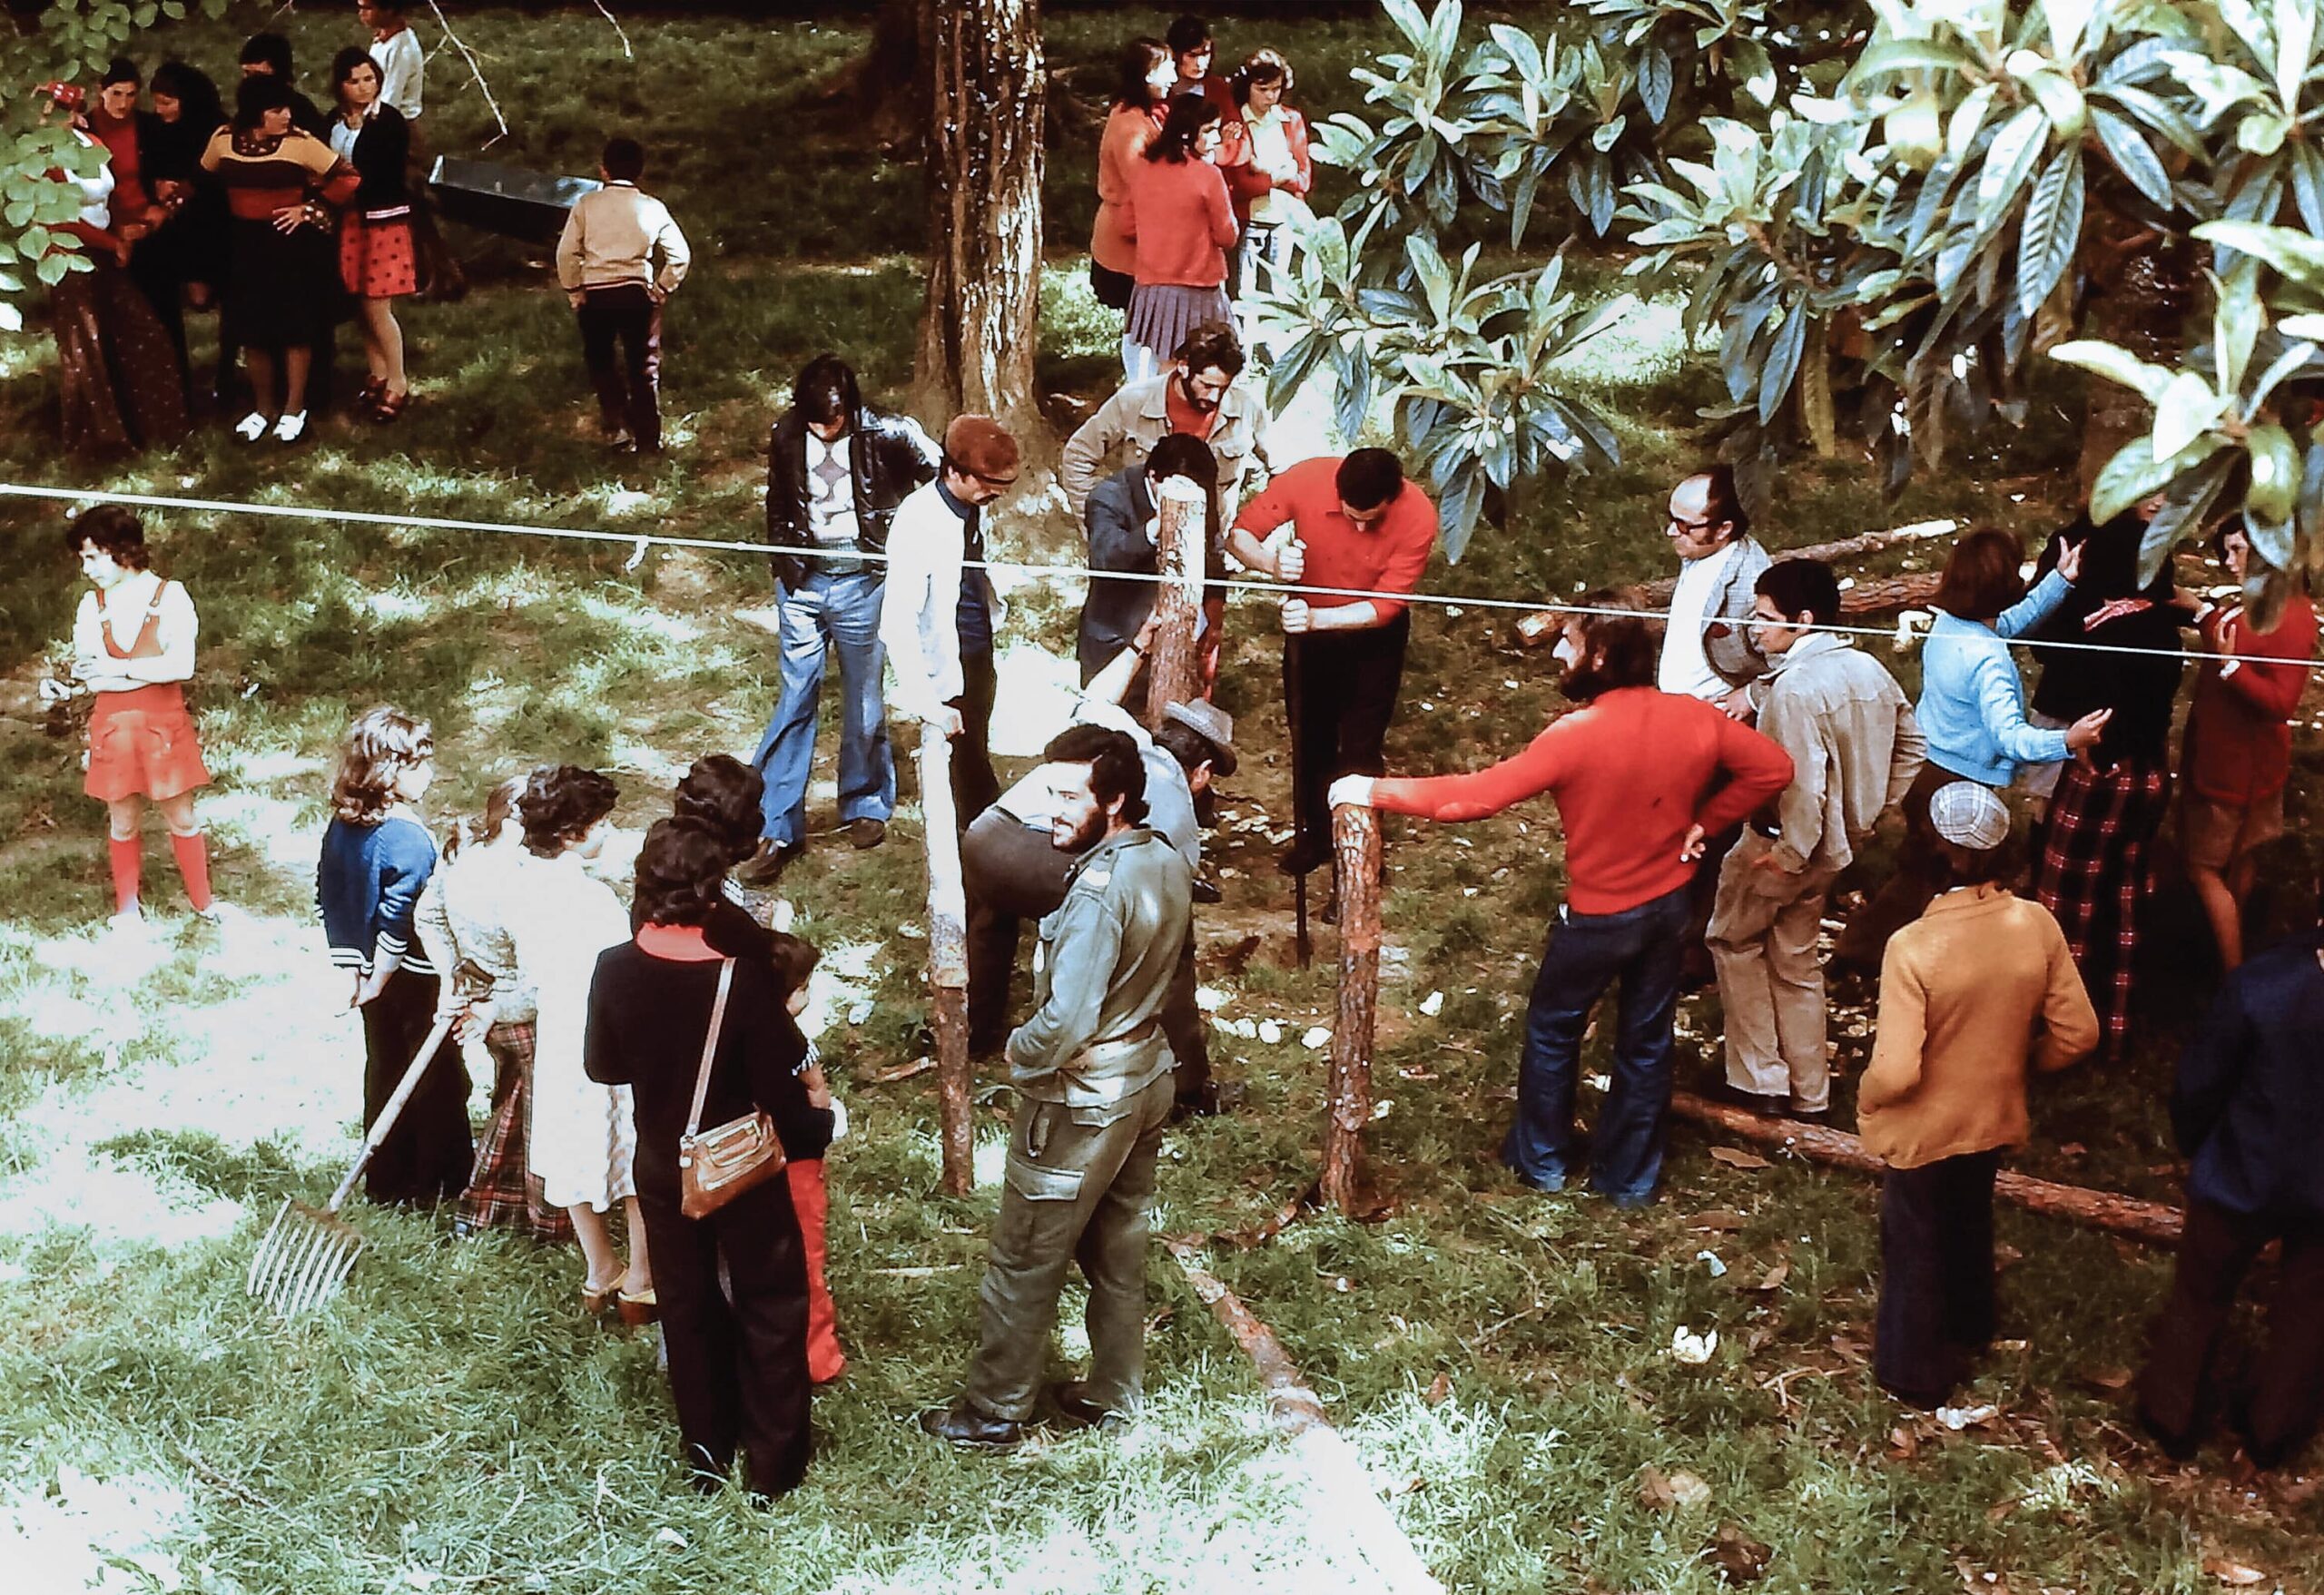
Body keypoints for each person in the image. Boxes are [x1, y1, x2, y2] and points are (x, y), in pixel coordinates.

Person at [1330, 600, 1793, 1206]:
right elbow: (1773, 767)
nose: (1555, 653)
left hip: (1599, 917)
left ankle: (1541, 1162)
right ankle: (1630, 1179)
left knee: (1554, 1030)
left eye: (1567, 642)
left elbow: (1474, 798)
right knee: (1647, 1038)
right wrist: (1707, 821)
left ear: (1600, 656)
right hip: (1669, 906)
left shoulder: (1574, 736)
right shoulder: (1694, 717)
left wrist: (1371, 787)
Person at [923, 726, 1194, 1448]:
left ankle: (994, 1409)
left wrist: (1019, 1050)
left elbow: (1067, 1016)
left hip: (1086, 1100)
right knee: (1118, 1245)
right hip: (1145, 1077)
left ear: (1116, 797)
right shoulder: (1162, 856)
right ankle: (1114, 1390)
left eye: (1070, 797)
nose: (1051, 812)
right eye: (1049, 792)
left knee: (1024, 1257)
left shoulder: (1100, 891)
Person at [586, 820, 836, 1499]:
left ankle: (705, 1454)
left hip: (663, 1164)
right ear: (708, 893)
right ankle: (774, 1467)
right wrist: (819, 1127)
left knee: (689, 1306)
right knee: (771, 1302)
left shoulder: (613, 966)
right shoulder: (741, 978)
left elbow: (601, 1065)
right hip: (742, 1168)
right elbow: (779, 1085)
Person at [1856, 781, 2098, 1409]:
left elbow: (1898, 1069)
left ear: (1932, 852)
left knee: (1914, 1238)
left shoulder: (1913, 946)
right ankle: (1972, 1323)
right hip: (1992, 1111)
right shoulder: (2036, 923)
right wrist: (2024, 1062)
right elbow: (2079, 1031)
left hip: (1924, 1124)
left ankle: (1915, 1370)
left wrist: (1868, 1097)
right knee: (1969, 1215)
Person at [964, 627, 1236, 1117]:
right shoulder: (1175, 796)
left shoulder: (1121, 736)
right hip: (1037, 852)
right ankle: (1189, 1088)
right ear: (1203, 774)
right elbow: (1170, 893)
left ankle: (972, 1030)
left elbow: (1092, 695)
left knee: (994, 915)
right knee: (1170, 946)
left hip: (986, 834)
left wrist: (1139, 645)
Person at [1709, 560, 1923, 1119]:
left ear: (1802, 621)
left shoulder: (1793, 692)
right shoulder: (1869, 669)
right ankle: (1811, 1090)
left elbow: (1798, 784)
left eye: (1763, 618)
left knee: (1734, 942)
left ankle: (1761, 1080)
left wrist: (1787, 855)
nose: (1754, 629)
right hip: (1838, 849)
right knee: (1796, 961)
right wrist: (1868, 814)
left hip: (1783, 847)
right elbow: (1913, 745)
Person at [659, 756, 850, 1383]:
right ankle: (765, 1357)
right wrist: (814, 1122)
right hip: (730, 1098)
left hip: (672, 1091)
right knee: (738, 1230)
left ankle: (695, 1350)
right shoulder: (723, 918)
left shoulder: (665, 874)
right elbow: (762, 1027)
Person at [1836, 527, 2107, 967]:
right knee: (1936, 878)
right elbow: (2010, 737)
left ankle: (1882, 952)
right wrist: (2067, 740)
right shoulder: (1988, 659)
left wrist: (2060, 579)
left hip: (1927, 766)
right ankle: (1865, 954)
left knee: (1923, 869)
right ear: (2003, 589)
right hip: (1960, 780)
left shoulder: (1953, 626)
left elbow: (2008, 624)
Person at [2138, 881, 2324, 1470]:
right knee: (2308, 1308)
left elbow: (2200, 1081)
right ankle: (2275, 1428)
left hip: (2242, 1171)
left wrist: (2197, 1143)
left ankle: (2171, 1415)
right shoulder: (2265, 983)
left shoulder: (2264, 985)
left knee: (2200, 1292)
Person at [743, 353, 940, 883]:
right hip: (803, 584)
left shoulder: (890, 432)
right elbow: (777, 500)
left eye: (832, 423)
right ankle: (775, 824)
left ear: (851, 408)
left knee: (864, 699)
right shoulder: (785, 434)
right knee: (795, 697)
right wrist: (784, 564)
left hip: (864, 584)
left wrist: (908, 539)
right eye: (814, 423)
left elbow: (940, 478)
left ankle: (866, 803)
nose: (824, 433)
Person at [2024, 507, 2195, 1058]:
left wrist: (2094, 759)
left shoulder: (2104, 628)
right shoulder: (2162, 629)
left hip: (2102, 771)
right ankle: (2118, 1024)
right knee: (2125, 895)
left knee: (2064, 901)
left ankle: (2060, 1028)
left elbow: (2097, 703)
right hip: (2149, 772)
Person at [1226, 449, 1438, 878]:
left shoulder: (1419, 515)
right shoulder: (1305, 477)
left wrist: (1316, 619)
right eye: (1350, 516)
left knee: (1360, 747)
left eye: (1370, 520)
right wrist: (1271, 563)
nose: (1360, 527)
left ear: (1392, 500)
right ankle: (1315, 836)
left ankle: (1360, 853)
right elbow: (1240, 533)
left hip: (1373, 639)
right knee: (1309, 738)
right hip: (1310, 638)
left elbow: (1386, 606)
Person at [504, 764, 653, 1321]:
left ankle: (599, 1268)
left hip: (562, 1035)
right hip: (609, 1033)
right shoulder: (592, 903)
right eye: (602, 824)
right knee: (636, 1148)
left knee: (570, 1148)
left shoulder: (518, 887)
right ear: (572, 832)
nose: (609, 834)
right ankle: (641, 1275)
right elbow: (622, 975)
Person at [316, 708, 474, 1206]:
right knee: (438, 1076)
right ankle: (437, 1184)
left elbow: (331, 894)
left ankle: (385, 1179)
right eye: (419, 764)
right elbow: (398, 916)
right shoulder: (407, 837)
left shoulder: (343, 826)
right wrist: (379, 975)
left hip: (370, 973)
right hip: (415, 974)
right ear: (390, 769)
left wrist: (352, 968)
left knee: (384, 1067)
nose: (429, 774)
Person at [413, 772, 576, 1245]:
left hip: (484, 1003)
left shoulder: (463, 857)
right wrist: (487, 996)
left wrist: (453, 973)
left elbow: (429, 915)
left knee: (515, 1098)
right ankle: (542, 1217)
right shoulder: (520, 881)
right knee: (538, 1113)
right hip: (519, 1011)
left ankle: (497, 1205)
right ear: (517, 822)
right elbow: (540, 975)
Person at [66, 506, 214, 927]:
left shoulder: (170, 596)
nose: (86, 568)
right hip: (113, 728)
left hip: (163, 727)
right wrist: (141, 672)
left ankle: (204, 904)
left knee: (181, 817)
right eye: (82, 559)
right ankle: (127, 910)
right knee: (123, 819)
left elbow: (181, 667)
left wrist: (119, 669)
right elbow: (95, 679)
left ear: (123, 551)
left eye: (93, 556)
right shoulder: (90, 606)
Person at [2179, 525, 2319, 970]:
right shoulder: (2265, 603)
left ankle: (2231, 976)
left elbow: (2281, 703)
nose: (2229, 561)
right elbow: (2232, 634)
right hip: (2251, 766)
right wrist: (2201, 611)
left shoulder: (2290, 618)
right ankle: (2230, 932)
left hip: (2232, 768)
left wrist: (2231, 669)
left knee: (2202, 867)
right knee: (2243, 855)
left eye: (2239, 550)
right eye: (2227, 551)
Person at [880, 414, 1021, 827]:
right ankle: (973, 843)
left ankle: (984, 827)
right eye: (984, 483)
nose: (992, 493)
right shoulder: (918, 519)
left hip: (978, 651)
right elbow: (898, 622)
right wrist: (927, 703)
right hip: (945, 664)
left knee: (976, 743)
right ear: (952, 470)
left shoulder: (975, 505)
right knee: (962, 765)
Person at [201, 73, 357, 443]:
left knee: (294, 329)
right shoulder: (223, 140)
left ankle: (294, 408)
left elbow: (348, 178)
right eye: (277, 109)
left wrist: (309, 209)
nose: (287, 115)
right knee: (252, 331)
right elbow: (201, 177)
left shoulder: (301, 143)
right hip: (244, 246)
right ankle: (263, 407)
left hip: (289, 247)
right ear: (257, 114)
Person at [38, 82, 190, 456]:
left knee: (144, 334)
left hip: (105, 250)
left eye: (64, 108)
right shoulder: (42, 156)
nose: (58, 116)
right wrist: (112, 242)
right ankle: (101, 442)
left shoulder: (92, 144)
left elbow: (111, 194)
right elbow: (61, 219)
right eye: (50, 110)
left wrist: (123, 230)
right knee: (87, 347)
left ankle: (156, 428)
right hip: (68, 257)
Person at [1060, 320, 1273, 526]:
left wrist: (1250, 534)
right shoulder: (1132, 401)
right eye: (1206, 386)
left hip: (1211, 547)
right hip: (1138, 546)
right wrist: (1100, 525)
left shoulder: (1247, 407)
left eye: (1223, 388)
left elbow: (1285, 469)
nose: (1214, 397)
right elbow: (1078, 455)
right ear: (1184, 367)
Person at [555, 136, 690, 453]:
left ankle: (617, 428)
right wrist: (662, 288)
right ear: (641, 173)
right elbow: (680, 255)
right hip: (636, 294)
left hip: (596, 295)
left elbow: (566, 254)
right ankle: (649, 439)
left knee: (600, 360)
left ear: (603, 171)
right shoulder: (652, 207)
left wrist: (574, 290)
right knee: (643, 367)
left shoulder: (585, 205)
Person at [1077, 432, 1224, 694]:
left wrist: (1213, 617)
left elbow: (1213, 551)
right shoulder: (1108, 497)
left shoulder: (1200, 490)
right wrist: (1155, 527)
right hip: (1118, 639)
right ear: (1153, 476)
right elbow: (1105, 558)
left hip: (1178, 642)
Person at [1118, 94, 1237, 383]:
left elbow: (1125, 225)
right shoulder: (1208, 175)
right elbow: (1228, 235)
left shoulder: (1143, 168)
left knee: (1165, 365)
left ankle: (1160, 422)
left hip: (1152, 286)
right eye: (1209, 131)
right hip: (1198, 287)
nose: (1215, 140)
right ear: (1187, 133)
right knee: (1201, 365)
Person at [327, 48, 417, 422]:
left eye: (369, 79)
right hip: (347, 221)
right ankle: (376, 371)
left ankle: (398, 381)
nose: (364, 88)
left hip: (382, 222)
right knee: (360, 304)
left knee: (379, 307)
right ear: (340, 85)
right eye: (354, 81)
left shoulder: (389, 122)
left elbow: (378, 174)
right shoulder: (333, 120)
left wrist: (340, 189)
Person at [139, 61, 231, 387]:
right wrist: (156, 186)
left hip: (210, 222)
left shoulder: (215, 127)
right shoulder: (154, 129)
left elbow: (216, 178)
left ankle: (227, 372)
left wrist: (179, 193)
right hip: (169, 224)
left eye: (167, 102)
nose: (159, 109)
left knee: (211, 298)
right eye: (156, 102)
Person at [1089, 36, 1174, 359]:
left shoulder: (1144, 114)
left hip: (1141, 237)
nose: (1173, 77)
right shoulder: (1130, 126)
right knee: (1140, 326)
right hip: (1127, 242)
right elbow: (1145, 184)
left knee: (1145, 323)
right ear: (1145, 74)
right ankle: (1137, 393)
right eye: (1165, 69)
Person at [1219, 50, 1313, 307]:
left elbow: (1303, 178)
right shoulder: (1236, 122)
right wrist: (1282, 173)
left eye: (1276, 89)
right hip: (1249, 222)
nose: (1271, 96)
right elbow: (1240, 185)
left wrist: (1263, 170)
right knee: (1242, 297)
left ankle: (1274, 348)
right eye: (1263, 90)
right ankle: (1242, 347)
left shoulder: (1290, 120)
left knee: (1278, 296)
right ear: (1247, 87)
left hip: (1283, 221)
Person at [236, 34, 329, 134]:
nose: (249, 81)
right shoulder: (246, 111)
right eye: (247, 73)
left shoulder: (303, 113)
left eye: (258, 75)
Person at [1164, 15, 1238, 117]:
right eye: (1192, 55)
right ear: (1175, 54)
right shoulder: (1160, 90)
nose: (1200, 63)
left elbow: (1234, 121)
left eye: (1205, 54)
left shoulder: (1217, 87)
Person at [360, 1, 422, 121]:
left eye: (368, 8)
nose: (361, 13)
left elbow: (390, 100)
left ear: (389, 10)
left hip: (396, 124)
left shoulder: (401, 51)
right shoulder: (384, 39)